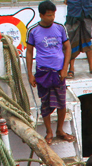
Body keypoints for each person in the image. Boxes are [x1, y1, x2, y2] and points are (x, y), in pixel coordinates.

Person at [26, 1, 73, 144]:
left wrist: (65, 68)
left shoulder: (60, 28)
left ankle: (59, 129)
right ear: (41, 15)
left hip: (58, 71)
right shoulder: (33, 30)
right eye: (48, 15)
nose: (52, 17)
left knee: (61, 102)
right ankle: (49, 131)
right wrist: (30, 74)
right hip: (43, 72)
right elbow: (29, 52)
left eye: (53, 14)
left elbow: (68, 47)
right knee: (45, 103)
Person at [65, 0, 92, 77]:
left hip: (87, 9)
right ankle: (71, 68)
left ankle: (91, 67)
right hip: (73, 9)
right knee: (72, 38)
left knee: (87, 37)